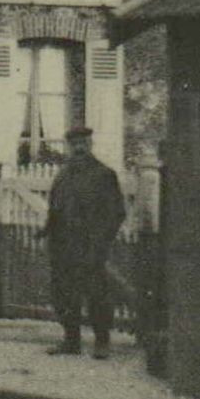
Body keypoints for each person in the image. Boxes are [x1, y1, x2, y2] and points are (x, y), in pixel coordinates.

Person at [44, 125, 125, 359]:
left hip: (90, 245)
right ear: (68, 147)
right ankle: (71, 341)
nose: (79, 148)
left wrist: (101, 242)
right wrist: (48, 230)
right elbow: (55, 206)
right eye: (74, 144)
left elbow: (116, 213)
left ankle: (102, 342)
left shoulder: (104, 175)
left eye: (83, 144)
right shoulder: (63, 175)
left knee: (97, 294)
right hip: (62, 245)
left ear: (90, 145)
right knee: (64, 295)